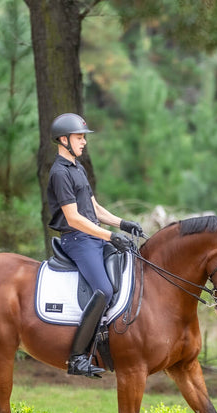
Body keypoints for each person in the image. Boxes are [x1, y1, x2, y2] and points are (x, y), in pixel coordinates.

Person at [46, 112, 143, 378]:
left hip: (94, 237)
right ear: (63, 139)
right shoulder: (59, 173)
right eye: (79, 137)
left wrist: (122, 223)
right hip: (78, 240)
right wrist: (110, 236)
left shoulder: (78, 168)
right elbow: (73, 218)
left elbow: (94, 208)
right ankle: (77, 357)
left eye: (83, 138)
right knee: (103, 288)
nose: (84, 142)